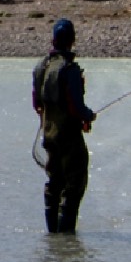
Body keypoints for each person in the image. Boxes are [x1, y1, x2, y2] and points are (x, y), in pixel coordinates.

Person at [32, 18, 95, 235]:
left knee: (54, 184)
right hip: (69, 138)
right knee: (74, 186)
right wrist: (89, 116)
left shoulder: (40, 67)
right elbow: (75, 106)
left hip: (48, 136)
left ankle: (53, 236)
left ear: (53, 39)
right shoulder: (70, 70)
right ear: (72, 41)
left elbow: (36, 104)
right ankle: (66, 238)